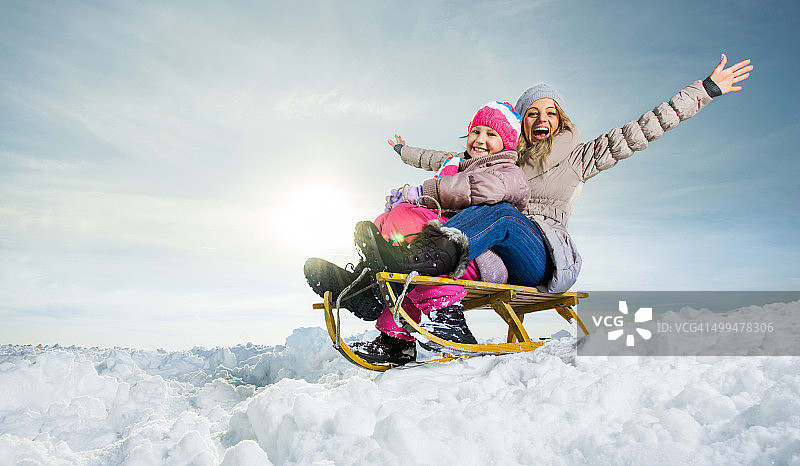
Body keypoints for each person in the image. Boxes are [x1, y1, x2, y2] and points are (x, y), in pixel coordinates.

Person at [353, 54, 753, 360]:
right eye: (532, 113)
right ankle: (391, 325)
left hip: (542, 256)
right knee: (464, 205)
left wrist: (705, 89)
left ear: (560, 120)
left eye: (549, 112)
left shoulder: (582, 156)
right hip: (495, 254)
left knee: (503, 213)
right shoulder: (502, 159)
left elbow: (644, 128)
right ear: (521, 124)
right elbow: (444, 161)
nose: (541, 119)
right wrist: (404, 151)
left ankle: (424, 259)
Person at [304, 101, 531, 364]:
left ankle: (448, 315)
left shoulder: (508, 172)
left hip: (474, 255)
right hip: (438, 252)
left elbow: (474, 189)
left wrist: (420, 195)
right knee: (384, 221)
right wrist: (402, 154)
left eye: (491, 134)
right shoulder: (458, 164)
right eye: (476, 131)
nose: (480, 139)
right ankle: (391, 329)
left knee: (404, 218)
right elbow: (428, 157)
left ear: (507, 142)